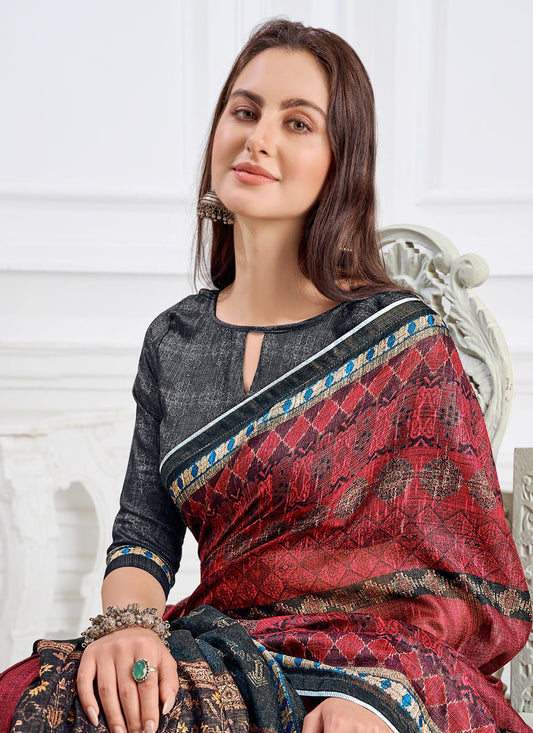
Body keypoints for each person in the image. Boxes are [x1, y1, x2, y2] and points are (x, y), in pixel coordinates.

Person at [0, 17, 531, 733]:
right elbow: (141, 536)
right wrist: (128, 630)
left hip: (369, 679)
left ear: (340, 162)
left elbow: (468, 588)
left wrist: (378, 696)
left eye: (297, 123)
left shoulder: (401, 342)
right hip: (227, 651)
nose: (258, 139)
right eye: (244, 112)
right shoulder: (175, 340)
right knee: (48, 700)